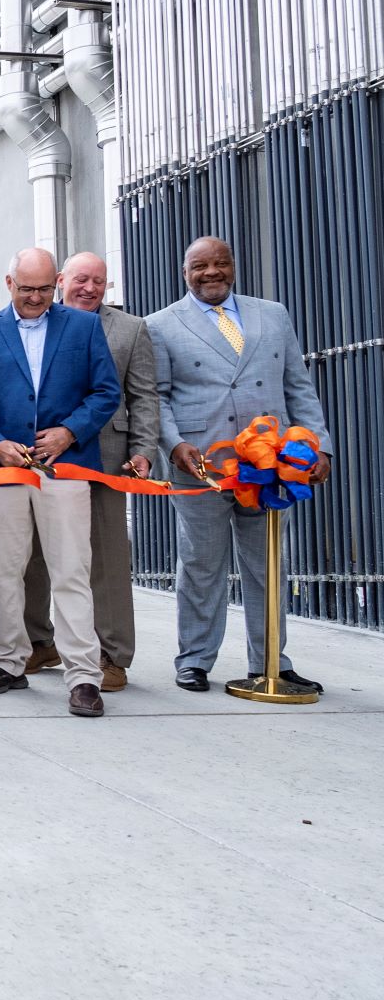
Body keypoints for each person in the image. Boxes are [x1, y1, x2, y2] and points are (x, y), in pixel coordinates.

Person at [146, 236, 332, 692]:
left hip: (270, 468)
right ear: (184, 271)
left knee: (267, 563)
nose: (211, 273)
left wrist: (320, 446)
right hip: (202, 466)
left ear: (233, 265)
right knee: (200, 563)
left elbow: (298, 387)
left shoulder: (274, 314)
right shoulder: (160, 325)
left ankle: (270, 659)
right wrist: (173, 446)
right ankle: (194, 659)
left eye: (220, 263)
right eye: (200, 266)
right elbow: (158, 398)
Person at [0, 248, 121, 718]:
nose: (35, 298)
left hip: (64, 467)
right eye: (26, 289)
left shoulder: (84, 327)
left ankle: (84, 676)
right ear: (8, 283)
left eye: (44, 289)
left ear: (56, 284)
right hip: (5, 470)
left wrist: (70, 431)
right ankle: (9, 663)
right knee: (4, 571)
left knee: (71, 570)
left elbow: (106, 391)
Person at [22, 251, 161, 691]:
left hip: (105, 458)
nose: (89, 288)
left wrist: (144, 450)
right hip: (43, 458)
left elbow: (144, 396)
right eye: (81, 279)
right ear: (61, 280)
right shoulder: (37, 320)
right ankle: (38, 642)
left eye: (98, 281)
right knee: (36, 555)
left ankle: (111, 654)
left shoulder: (131, 329)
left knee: (105, 556)